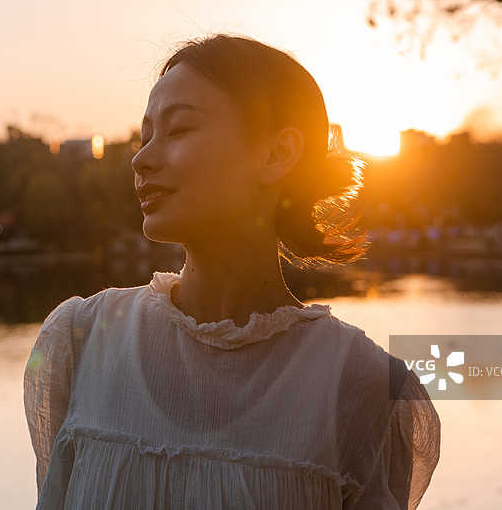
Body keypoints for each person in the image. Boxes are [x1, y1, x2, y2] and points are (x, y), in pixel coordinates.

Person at [24, 34, 440, 509]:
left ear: (276, 154)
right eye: (145, 137)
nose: (141, 159)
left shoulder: (361, 382)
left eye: (178, 130)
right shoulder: (81, 340)